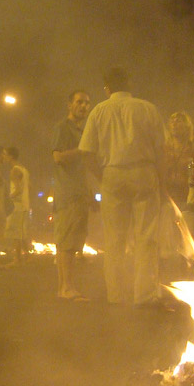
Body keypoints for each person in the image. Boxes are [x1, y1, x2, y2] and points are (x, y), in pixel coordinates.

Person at [79, 66, 166, 306]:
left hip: (112, 174)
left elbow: (86, 152)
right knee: (146, 236)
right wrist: (162, 182)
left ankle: (116, 296)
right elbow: (161, 151)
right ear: (129, 84)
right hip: (144, 172)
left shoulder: (98, 111)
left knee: (114, 238)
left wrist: (102, 176)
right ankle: (145, 295)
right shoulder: (148, 109)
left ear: (107, 88)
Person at [52, 90, 91, 300]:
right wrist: (82, 150)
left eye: (86, 103)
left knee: (72, 242)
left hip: (80, 192)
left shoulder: (83, 130)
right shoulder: (62, 128)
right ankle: (66, 288)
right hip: (67, 193)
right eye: (79, 102)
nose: (83, 106)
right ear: (69, 104)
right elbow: (58, 157)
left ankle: (65, 288)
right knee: (66, 242)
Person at [2, 146, 30, 267]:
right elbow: (29, 187)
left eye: (5, 154)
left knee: (15, 233)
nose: (3, 156)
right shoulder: (24, 169)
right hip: (24, 204)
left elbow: (18, 189)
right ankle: (28, 257)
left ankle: (17, 260)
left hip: (17, 206)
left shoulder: (14, 170)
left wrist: (8, 198)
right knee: (21, 233)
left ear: (11, 156)